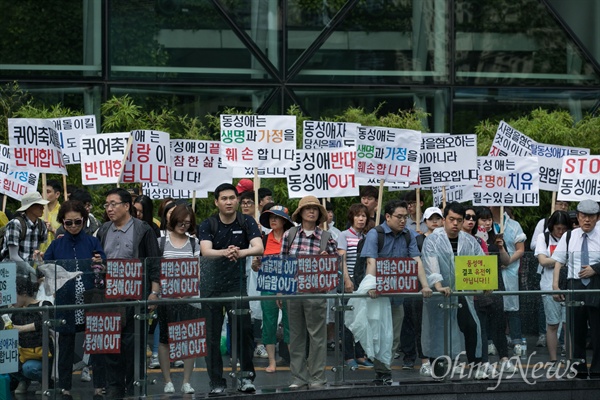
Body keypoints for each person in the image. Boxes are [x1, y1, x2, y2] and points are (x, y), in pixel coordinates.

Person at [350, 200, 431, 385]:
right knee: (378, 334)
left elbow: (416, 260)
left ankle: (384, 370)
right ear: (388, 217)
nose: (403, 221)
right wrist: (371, 285)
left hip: (397, 296)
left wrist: (425, 285)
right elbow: (371, 262)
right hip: (377, 294)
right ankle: (382, 371)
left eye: (405, 217)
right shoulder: (375, 234)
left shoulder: (409, 235)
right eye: (399, 217)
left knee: (393, 337)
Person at [198, 183, 264, 394]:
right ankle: (216, 382)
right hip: (211, 287)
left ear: (237, 200)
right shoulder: (208, 224)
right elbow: (206, 251)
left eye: (232, 198)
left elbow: (259, 247)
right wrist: (226, 252)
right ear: (216, 202)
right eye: (224, 198)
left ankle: (246, 378)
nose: (229, 202)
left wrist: (240, 252)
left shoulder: (247, 221)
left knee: (244, 332)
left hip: (237, 285)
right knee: (212, 337)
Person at [95, 188, 161, 399]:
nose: (109, 208)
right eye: (106, 205)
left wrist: (154, 292)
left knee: (133, 344)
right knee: (110, 344)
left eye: (113, 204)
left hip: (135, 295)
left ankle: (135, 387)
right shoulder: (104, 229)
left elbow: (154, 263)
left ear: (126, 206)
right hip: (110, 296)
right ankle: (114, 388)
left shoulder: (143, 229)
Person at [43, 200, 106, 398]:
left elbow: (102, 265)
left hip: (90, 298)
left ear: (84, 220)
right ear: (62, 222)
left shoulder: (92, 242)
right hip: (66, 299)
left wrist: (100, 263)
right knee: (66, 344)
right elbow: (46, 268)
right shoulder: (56, 244)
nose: (73, 226)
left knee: (96, 343)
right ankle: (65, 386)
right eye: (68, 222)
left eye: (77, 222)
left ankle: (100, 385)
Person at [421, 202, 487, 380]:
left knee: (471, 326)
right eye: (451, 219)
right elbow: (430, 265)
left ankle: (476, 365)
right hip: (439, 294)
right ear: (444, 220)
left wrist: (486, 284)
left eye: (459, 220)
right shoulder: (432, 240)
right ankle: (438, 369)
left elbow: (480, 263)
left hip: (461, 293)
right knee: (438, 329)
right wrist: (438, 285)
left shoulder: (470, 240)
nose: (455, 224)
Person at [280, 195, 337, 389]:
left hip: (316, 292)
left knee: (317, 337)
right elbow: (282, 264)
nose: (311, 211)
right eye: (307, 209)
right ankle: (298, 377)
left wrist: (327, 258)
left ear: (319, 214)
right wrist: (281, 291)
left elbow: (335, 266)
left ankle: (317, 377)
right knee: (296, 336)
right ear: (301, 213)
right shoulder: (290, 234)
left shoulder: (327, 237)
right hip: (294, 292)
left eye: (315, 209)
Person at [552, 199, 600, 378]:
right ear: (578, 217)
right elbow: (558, 261)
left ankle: (597, 369)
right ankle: (578, 369)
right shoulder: (569, 236)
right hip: (575, 286)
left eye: (591, 216)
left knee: (597, 332)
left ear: (597, 218)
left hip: (597, 286)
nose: (587, 220)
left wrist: (595, 268)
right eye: (583, 216)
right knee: (576, 331)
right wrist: (555, 285)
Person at [156, 204, 200, 394]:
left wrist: (188, 290)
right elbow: (156, 270)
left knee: (189, 339)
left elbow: (199, 270)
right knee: (165, 340)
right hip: (167, 298)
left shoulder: (194, 243)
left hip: (189, 298)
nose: (183, 226)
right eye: (181, 222)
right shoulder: (160, 242)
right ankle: (167, 380)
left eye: (187, 223)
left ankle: (186, 381)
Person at [402, 206, 444, 376]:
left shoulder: (446, 240)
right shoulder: (418, 240)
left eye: (438, 218)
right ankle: (424, 360)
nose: (435, 221)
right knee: (422, 324)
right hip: (422, 288)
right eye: (431, 218)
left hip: (441, 287)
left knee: (439, 325)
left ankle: (439, 357)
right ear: (425, 221)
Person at [253, 205, 294, 372]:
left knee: (290, 324)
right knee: (269, 323)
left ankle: (294, 362)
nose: (273, 220)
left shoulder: (292, 239)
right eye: (270, 217)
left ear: (284, 220)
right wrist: (256, 265)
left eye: (277, 217)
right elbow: (257, 267)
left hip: (288, 286)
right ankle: (272, 362)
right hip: (268, 286)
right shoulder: (263, 240)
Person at [336, 203, 374, 369]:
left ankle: (360, 354)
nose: (361, 219)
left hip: (362, 284)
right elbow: (341, 259)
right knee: (347, 320)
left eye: (364, 216)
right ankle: (348, 356)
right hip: (348, 283)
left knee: (362, 319)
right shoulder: (344, 236)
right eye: (358, 215)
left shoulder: (367, 238)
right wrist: (347, 280)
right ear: (351, 217)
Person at [530, 200, 569, 348]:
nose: (561, 232)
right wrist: (561, 259)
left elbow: (549, 260)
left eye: (564, 229)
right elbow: (542, 261)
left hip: (567, 283)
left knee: (568, 324)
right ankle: (553, 357)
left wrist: (552, 259)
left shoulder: (570, 236)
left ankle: (568, 352)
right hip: (548, 283)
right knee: (552, 322)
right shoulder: (544, 237)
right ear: (551, 226)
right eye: (558, 228)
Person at [9, 272, 54, 395]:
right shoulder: (15, 311)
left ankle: (46, 381)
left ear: (24, 294)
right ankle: (22, 380)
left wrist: (21, 328)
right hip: (23, 354)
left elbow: (46, 321)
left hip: (40, 355)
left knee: (29, 368)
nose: (12, 300)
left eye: (14, 296)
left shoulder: (43, 305)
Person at [490, 206, 526, 349]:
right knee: (492, 305)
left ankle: (516, 339)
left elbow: (521, 249)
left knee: (512, 305)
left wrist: (508, 261)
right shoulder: (485, 224)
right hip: (491, 271)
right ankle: (492, 340)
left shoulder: (514, 225)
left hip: (510, 270)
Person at [238, 190, 268, 360]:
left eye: (250, 202)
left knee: (257, 307)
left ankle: (259, 343)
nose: (246, 205)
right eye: (243, 203)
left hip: (257, 269)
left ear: (256, 205)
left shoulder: (263, 226)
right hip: (240, 270)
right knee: (243, 308)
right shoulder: (235, 223)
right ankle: (242, 345)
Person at [1, 191, 48, 263]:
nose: (42, 208)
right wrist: (27, 268)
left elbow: (39, 250)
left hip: (30, 271)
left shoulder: (42, 225)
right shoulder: (15, 224)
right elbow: (13, 256)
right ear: (29, 207)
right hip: (11, 270)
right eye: (39, 205)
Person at [39, 180, 62, 253]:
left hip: (57, 253)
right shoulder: (38, 212)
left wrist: (52, 229)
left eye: (48, 192)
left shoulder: (63, 212)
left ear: (57, 194)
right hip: (39, 255)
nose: (44, 194)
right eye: (43, 192)